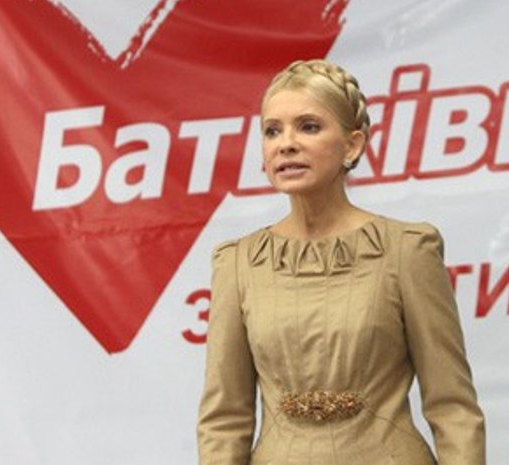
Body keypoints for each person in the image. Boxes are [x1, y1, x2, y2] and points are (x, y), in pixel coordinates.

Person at [197, 59, 485, 465]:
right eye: (272, 130)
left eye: (308, 126)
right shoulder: (238, 264)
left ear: (352, 145)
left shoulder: (407, 251)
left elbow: (453, 408)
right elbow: (225, 420)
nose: (286, 143)